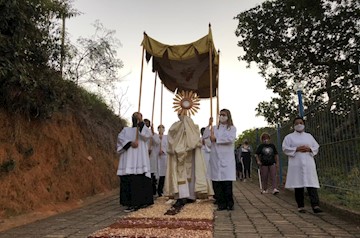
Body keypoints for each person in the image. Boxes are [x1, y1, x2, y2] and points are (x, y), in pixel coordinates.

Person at [164, 114, 213, 215]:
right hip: (179, 153)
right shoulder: (175, 126)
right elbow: (171, 137)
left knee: (190, 177)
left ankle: (191, 195)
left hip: (189, 153)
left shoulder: (193, 126)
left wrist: (189, 142)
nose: (183, 116)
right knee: (181, 176)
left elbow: (195, 140)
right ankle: (181, 196)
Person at [282, 116, 322, 213]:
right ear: (293, 125)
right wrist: (297, 149)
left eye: (301, 123)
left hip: (308, 162)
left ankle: (315, 205)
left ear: (304, 124)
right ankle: (301, 206)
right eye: (296, 123)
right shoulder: (289, 137)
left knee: (311, 184)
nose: (299, 125)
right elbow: (285, 148)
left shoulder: (309, 136)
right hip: (296, 162)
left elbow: (315, 146)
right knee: (298, 184)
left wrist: (309, 149)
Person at [116, 112, 154, 212]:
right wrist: (130, 143)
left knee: (140, 180)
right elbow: (120, 139)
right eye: (135, 118)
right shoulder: (126, 130)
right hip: (129, 160)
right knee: (130, 180)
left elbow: (147, 135)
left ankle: (142, 202)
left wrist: (141, 122)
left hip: (140, 160)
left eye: (138, 118)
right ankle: (131, 203)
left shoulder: (143, 130)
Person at [204, 108, 237, 211]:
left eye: (224, 115)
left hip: (227, 158)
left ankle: (229, 203)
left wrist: (217, 139)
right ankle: (221, 203)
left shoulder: (231, 128)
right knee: (217, 183)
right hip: (215, 158)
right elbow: (205, 135)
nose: (222, 117)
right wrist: (209, 124)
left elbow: (230, 139)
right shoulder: (214, 128)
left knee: (227, 183)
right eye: (220, 115)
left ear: (228, 116)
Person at [152, 124, 168, 197]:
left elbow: (168, 146)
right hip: (156, 157)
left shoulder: (167, 137)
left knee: (163, 174)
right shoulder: (155, 136)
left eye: (162, 128)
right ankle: (154, 190)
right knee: (156, 174)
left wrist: (163, 150)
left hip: (164, 157)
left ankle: (161, 190)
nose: (161, 130)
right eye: (159, 128)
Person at [145, 119, 158, 196]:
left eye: (147, 124)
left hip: (151, 155)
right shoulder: (140, 133)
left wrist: (153, 134)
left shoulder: (153, 133)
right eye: (145, 123)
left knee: (152, 174)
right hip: (144, 154)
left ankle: (153, 190)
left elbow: (157, 142)